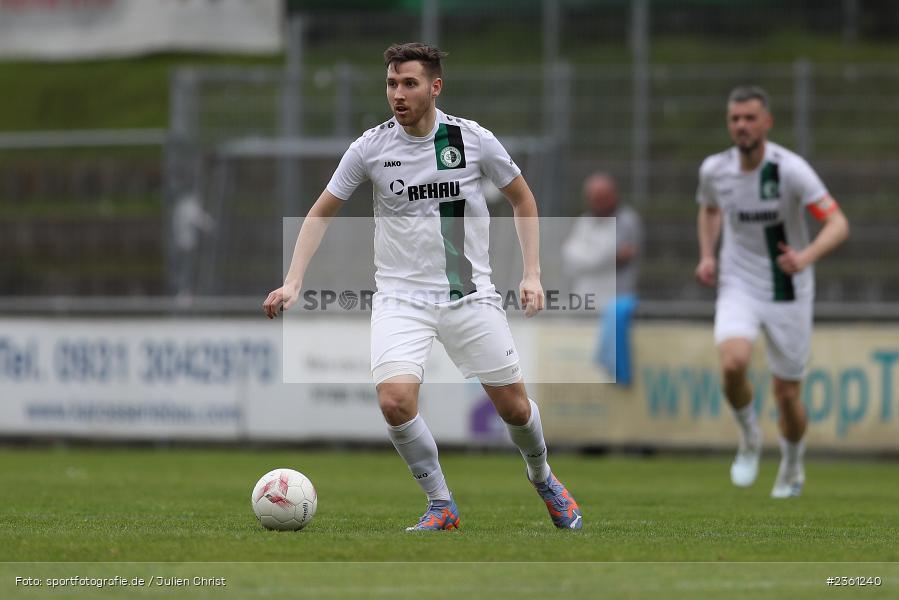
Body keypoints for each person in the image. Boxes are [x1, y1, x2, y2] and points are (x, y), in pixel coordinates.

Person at [263, 43, 582, 530]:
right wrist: (292, 281)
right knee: (394, 401)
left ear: (435, 87)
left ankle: (543, 478)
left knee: (514, 408)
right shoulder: (370, 147)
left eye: (409, 83)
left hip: (469, 295)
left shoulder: (471, 140)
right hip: (400, 299)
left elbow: (523, 199)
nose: (398, 93)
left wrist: (532, 273)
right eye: (391, 83)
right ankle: (440, 503)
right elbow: (322, 209)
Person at [695, 86, 849, 498]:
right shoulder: (715, 170)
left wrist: (805, 256)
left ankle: (793, 464)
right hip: (738, 282)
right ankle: (749, 437)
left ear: (767, 122)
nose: (741, 126)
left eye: (749, 118)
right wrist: (707, 255)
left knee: (787, 395)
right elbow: (709, 209)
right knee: (733, 363)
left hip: (788, 288)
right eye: (734, 119)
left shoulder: (791, 170)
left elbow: (837, 223)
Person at [561, 173, 642, 385]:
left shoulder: (627, 221)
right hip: (583, 306)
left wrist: (586, 257)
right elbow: (569, 259)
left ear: (614, 195)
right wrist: (606, 256)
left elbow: (621, 256)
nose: (598, 203)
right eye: (593, 198)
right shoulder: (585, 221)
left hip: (614, 303)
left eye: (602, 197)